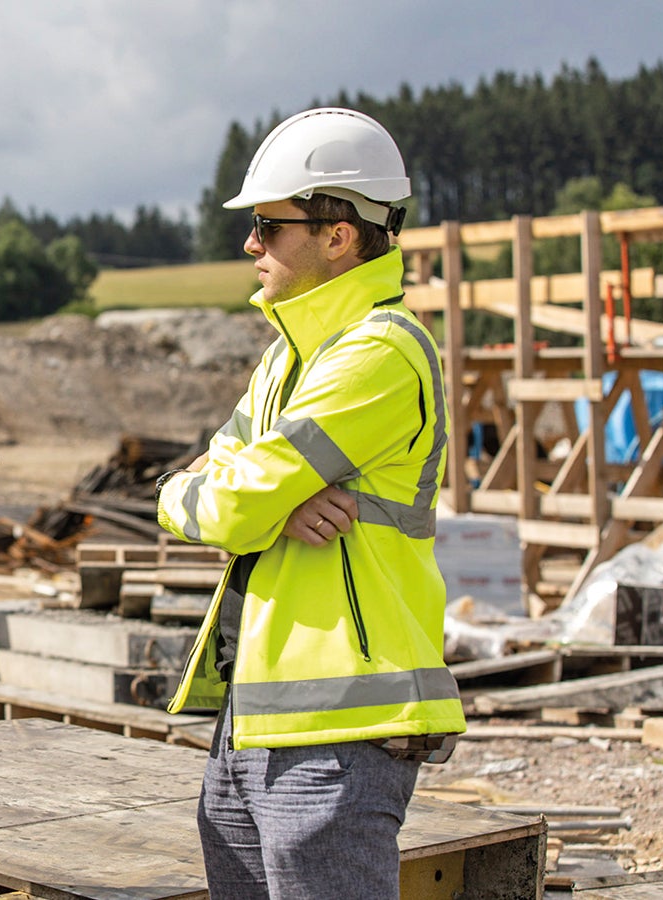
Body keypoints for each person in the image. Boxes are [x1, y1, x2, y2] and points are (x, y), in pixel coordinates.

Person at [155, 108, 467, 899]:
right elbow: (182, 493)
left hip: (340, 729)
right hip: (255, 721)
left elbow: (229, 504)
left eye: (269, 225)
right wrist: (272, 503)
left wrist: (250, 498)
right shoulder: (286, 362)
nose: (251, 245)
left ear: (340, 234)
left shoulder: (379, 353)